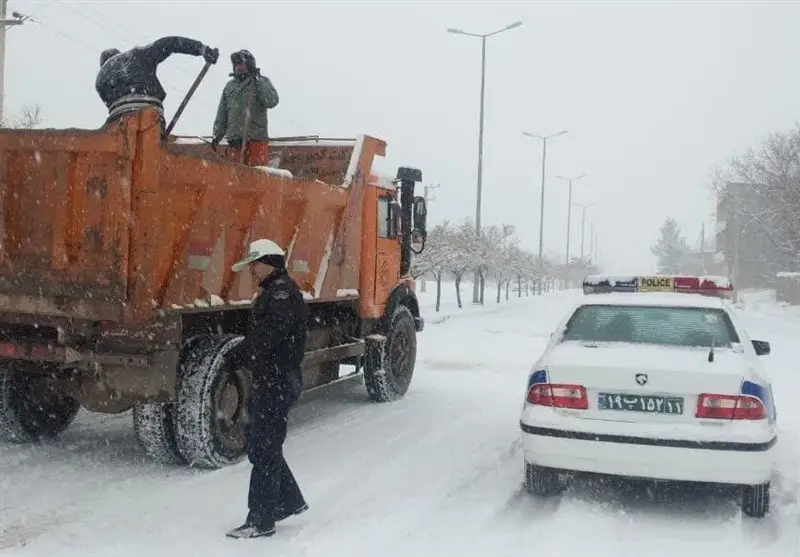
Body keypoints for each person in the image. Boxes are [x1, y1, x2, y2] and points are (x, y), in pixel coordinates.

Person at [225, 238, 309, 539]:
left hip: (277, 380)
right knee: (262, 444)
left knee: (264, 446)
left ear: (269, 263)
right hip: (271, 379)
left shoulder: (281, 294)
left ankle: (261, 521)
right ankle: (287, 501)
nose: (251, 270)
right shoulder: (275, 291)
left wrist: (239, 354)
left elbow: (270, 337)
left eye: (254, 264)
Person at [96, 37, 219, 136]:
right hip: (150, 112)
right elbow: (170, 43)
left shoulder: (100, 79)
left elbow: (111, 105)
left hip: (118, 120)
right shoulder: (137, 54)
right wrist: (201, 49)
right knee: (152, 145)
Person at [212, 49, 279, 164]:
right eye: (236, 64)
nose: (238, 67)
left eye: (241, 63)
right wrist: (217, 135)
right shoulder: (229, 87)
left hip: (256, 141)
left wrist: (258, 80)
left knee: (258, 176)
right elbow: (222, 114)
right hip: (235, 142)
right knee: (235, 177)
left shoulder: (261, 81)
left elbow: (272, 101)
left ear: (249, 64)